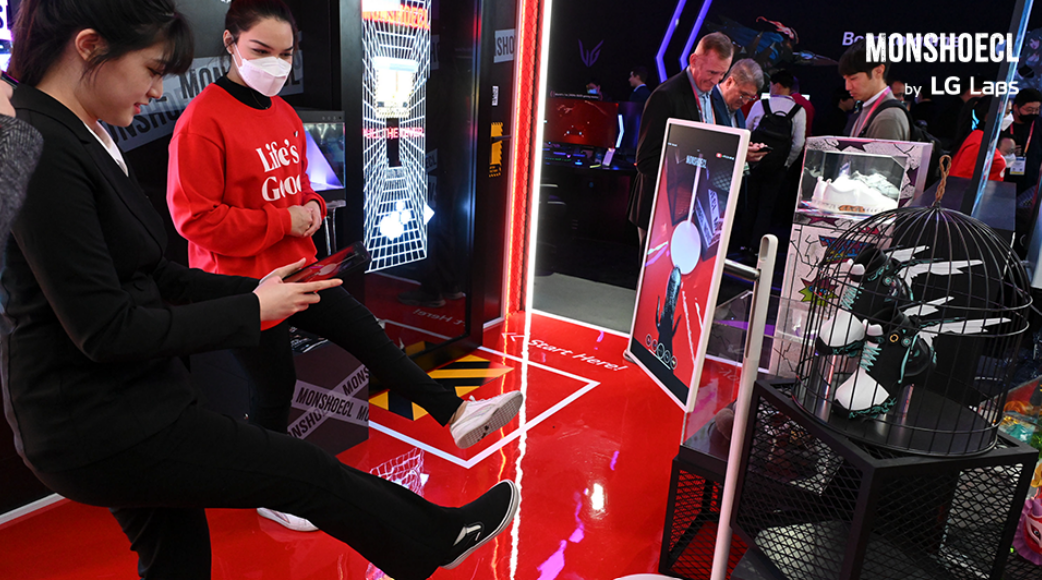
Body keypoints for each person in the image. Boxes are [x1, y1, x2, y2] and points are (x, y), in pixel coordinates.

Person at [3, 2, 519, 579]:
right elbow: (107, 327)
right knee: (306, 471)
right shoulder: (43, 145)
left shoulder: (82, 134)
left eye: (286, 53)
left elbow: (157, 272)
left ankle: (441, 474)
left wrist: (251, 291)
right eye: (151, 70)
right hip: (101, 420)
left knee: (176, 554)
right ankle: (431, 539)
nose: (155, 92)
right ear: (91, 47)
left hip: (136, 395)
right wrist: (250, 307)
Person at [168, 0, 523, 531]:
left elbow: (302, 183)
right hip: (243, 286)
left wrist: (310, 207)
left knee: (370, 337)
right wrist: (282, 222)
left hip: (301, 270)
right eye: (261, 51)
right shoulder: (202, 120)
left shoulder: (284, 114)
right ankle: (273, 489)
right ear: (230, 43)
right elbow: (195, 220)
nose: (276, 64)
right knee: (273, 388)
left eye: (286, 53)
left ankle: (454, 412)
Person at [627, 32, 766, 247]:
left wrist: (738, 153)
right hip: (662, 209)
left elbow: (711, 147)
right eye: (711, 72)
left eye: (721, 74)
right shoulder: (666, 95)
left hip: (697, 211)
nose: (715, 80)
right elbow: (646, 160)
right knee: (657, 278)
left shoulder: (712, 95)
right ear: (694, 60)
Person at [743, 68, 807, 254]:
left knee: (751, 203)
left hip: (755, 163)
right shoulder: (798, 110)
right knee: (767, 206)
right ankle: (757, 247)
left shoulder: (760, 105)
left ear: (776, 85)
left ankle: (744, 242)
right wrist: (786, 162)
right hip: (778, 167)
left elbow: (746, 131)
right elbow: (798, 143)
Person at [840, 40, 909, 141]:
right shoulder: (872, 109)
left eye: (853, 78)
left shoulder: (887, 118)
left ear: (878, 71)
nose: (847, 87)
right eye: (845, 79)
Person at [950, 95, 1007, 181]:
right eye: (1005, 113)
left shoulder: (984, 139)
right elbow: (963, 178)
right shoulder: (979, 142)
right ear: (988, 115)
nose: (1008, 117)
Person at [1001, 87, 1042, 192]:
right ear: (1016, 107)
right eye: (1029, 109)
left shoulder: (1039, 124)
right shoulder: (1003, 124)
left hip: (1031, 182)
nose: (1033, 113)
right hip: (1004, 180)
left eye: (1037, 109)